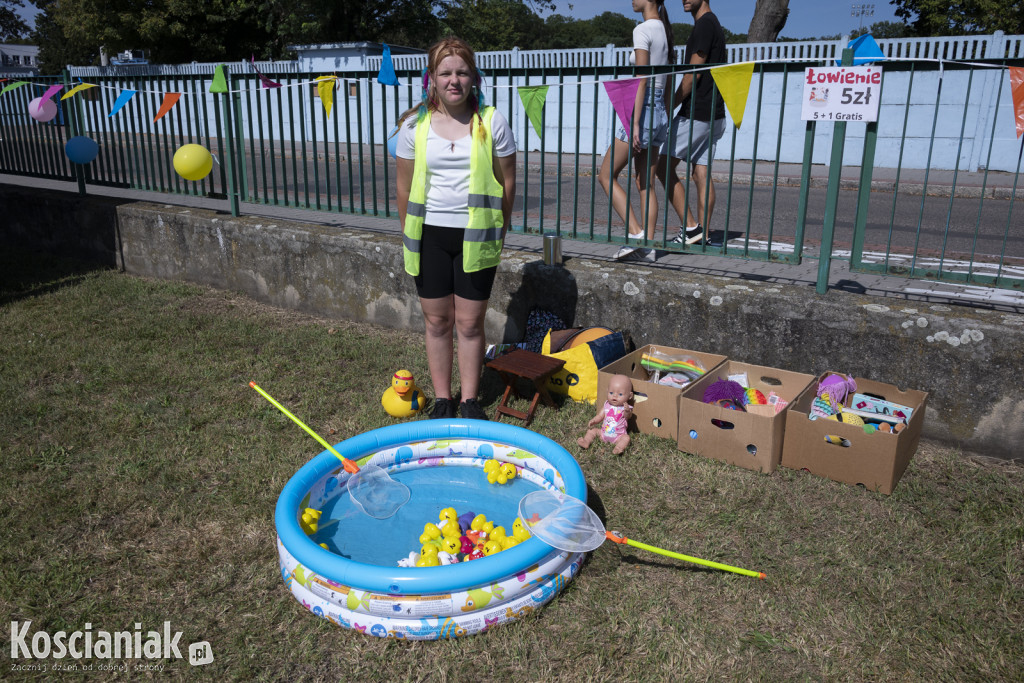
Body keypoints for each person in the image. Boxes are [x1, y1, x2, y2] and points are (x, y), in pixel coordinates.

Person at [395, 37, 517, 420]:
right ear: (431, 78)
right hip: (429, 235)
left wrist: (500, 230)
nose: (454, 80)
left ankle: (469, 400)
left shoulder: (492, 121)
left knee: (468, 322)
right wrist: (409, 234)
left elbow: (507, 181)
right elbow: (402, 186)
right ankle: (444, 398)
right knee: (437, 321)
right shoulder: (414, 125)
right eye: (445, 72)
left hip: (476, 236)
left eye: (462, 72)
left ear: (473, 77)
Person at [598, 0, 674, 263]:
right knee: (645, 183)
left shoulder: (642, 29)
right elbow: (668, 76)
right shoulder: (665, 30)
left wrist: (636, 122)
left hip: (642, 108)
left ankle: (635, 234)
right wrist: (663, 114)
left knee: (606, 175)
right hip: (660, 110)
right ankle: (649, 248)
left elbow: (641, 77)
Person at [656, 0, 727, 247]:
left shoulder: (704, 26)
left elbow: (692, 76)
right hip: (715, 114)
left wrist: (667, 106)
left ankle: (690, 229)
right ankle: (704, 236)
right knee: (701, 174)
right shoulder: (713, 23)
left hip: (696, 113)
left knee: (661, 167)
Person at [578, 374, 634, 455]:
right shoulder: (607, 405)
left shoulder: (625, 408)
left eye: (620, 394)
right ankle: (586, 442)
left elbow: (627, 417)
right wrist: (594, 420)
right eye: (611, 392)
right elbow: (600, 416)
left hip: (618, 437)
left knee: (626, 438)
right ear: (607, 391)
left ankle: (619, 447)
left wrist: (627, 411)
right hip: (603, 434)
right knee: (592, 431)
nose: (615, 396)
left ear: (630, 396)